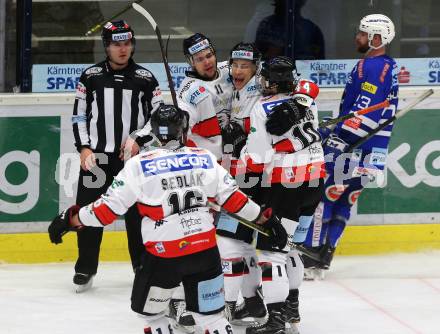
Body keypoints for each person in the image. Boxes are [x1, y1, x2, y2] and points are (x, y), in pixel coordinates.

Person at [49, 105, 288, 334]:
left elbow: (106, 211)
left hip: (165, 257)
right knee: (212, 318)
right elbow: (236, 201)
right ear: (183, 130)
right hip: (205, 253)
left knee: (152, 315)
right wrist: (265, 220)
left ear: (153, 132)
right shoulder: (204, 158)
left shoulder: (138, 165)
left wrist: (70, 219)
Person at [303, 14, 399, 279]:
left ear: (376, 38)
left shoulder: (372, 68)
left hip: (355, 147)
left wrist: (336, 138)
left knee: (324, 196)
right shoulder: (387, 66)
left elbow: (363, 116)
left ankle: (311, 256)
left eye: (362, 34)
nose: (357, 37)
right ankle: (326, 255)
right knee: (344, 199)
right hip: (373, 152)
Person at [233, 56, 324, 334]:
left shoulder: (262, 107)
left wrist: (242, 154)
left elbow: (259, 159)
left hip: (287, 185)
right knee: (290, 248)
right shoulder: (305, 101)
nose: (261, 81)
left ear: (273, 82)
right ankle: (291, 308)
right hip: (315, 180)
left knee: (271, 255)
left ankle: (274, 321)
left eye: (265, 78)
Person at [71, 20, 163, 292]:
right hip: (96, 159)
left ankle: (141, 268)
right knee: (88, 212)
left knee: (137, 216)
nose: (123, 49)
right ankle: (85, 268)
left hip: (132, 162)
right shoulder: (90, 76)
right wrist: (84, 147)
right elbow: (79, 115)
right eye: (116, 44)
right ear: (107, 46)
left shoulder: (146, 78)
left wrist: (138, 138)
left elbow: (157, 118)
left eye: (127, 43)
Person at [215, 42, 267, 326]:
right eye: (234, 64)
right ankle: (254, 303)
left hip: (249, 176)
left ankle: (225, 306)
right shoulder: (235, 84)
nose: (237, 70)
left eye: (244, 66)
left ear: (256, 69)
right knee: (244, 245)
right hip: (239, 173)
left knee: (229, 241)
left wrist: (238, 131)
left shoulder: (258, 94)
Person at [177, 32, 234, 161]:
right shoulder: (189, 90)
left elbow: (257, 73)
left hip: (238, 147)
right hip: (211, 157)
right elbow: (183, 124)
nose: (207, 62)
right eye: (200, 59)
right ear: (191, 62)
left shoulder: (229, 69)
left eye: (209, 56)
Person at [254, 0, 325, 60]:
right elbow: (257, 60)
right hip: (272, 74)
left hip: (303, 74)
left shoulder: (312, 29)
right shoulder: (266, 25)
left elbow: (319, 67)